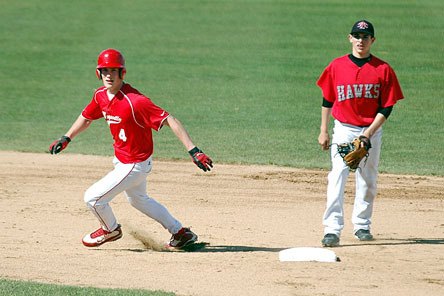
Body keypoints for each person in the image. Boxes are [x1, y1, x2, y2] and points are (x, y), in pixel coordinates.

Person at [49, 48, 213, 249]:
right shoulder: (101, 95)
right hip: (123, 161)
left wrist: (193, 150)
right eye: (105, 70)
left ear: (122, 73)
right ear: (98, 73)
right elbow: (87, 117)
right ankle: (180, 233)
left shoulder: (136, 101)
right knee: (138, 199)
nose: (109, 75)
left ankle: (110, 230)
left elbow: (170, 119)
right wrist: (67, 137)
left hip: (135, 164)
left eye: (114, 71)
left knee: (93, 199)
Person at [316, 20, 404, 247]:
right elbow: (327, 99)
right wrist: (324, 130)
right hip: (343, 129)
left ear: (372, 40)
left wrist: (368, 133)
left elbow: (387, 107)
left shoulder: (383, 70)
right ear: (350, 38)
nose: (361, 41)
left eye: (365, 37)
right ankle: (332, 229)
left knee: (368, 178)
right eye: (357, 36)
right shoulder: (336, 66)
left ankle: (362, 225)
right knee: (337, 176)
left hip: (371, 130)